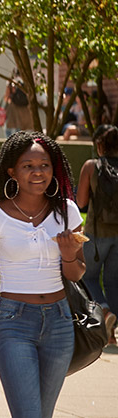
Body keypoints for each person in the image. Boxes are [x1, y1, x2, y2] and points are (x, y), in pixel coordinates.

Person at [0, 130, 85, 417]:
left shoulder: (67, 212)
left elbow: (77, 273)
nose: (38, 172)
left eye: (44, 165)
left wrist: (69, 254)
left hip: (59, 324)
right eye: (28, 166)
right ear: (12, 172)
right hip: (15, 323)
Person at [76, 124, 118, 345]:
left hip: (96, 232)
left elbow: (81, 202)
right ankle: (111, 333)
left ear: (99, 145)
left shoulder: (91, 167)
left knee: (88, 277)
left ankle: (104, 310)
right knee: (113, 282)